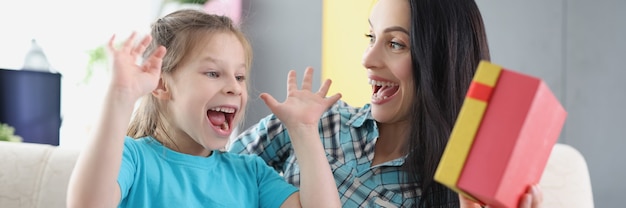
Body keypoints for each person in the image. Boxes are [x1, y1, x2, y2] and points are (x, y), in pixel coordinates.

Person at [229, 0, 543, 207]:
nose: (367, 59)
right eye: (371, 37)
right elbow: (210, 175)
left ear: (439, 61)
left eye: (395, 44)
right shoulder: (319, 119)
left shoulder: (453, 193)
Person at [66, 9, 341, 208]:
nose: (234, 87)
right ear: (162, 85)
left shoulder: (251, 174)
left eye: (240, 76)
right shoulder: (133, 158)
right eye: (213, 73)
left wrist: (304, 130)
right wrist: (121, 98)